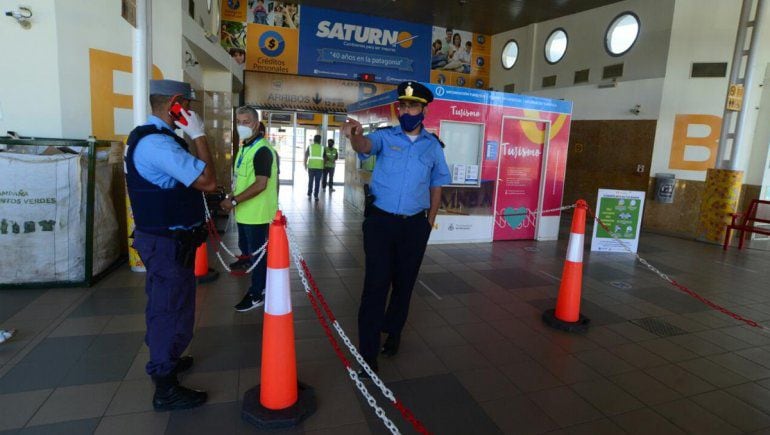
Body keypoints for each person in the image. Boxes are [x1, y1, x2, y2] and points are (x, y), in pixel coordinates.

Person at [342, 81, 450, 377]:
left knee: (404, 284)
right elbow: (363, 147)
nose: (406, 110)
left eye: (412, 106)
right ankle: (367, 352)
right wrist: (356, 136)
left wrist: (429, 223)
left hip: (415, 226)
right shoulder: (384, 137)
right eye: (402, 106)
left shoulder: (433, 147)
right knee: (376, 284)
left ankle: (394, 331)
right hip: (380, 222)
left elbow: (437, 184)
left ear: (424, 109)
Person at [125, 79, 217, 410]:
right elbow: (207, 180)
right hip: (166, 242)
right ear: (175, 103)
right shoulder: (158, 145)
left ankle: (170, 358)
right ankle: (164, 385)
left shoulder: (155, 138)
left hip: (168, 241)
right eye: (188, 106)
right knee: (168, 308)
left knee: (172, 303)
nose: (191, 112)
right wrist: (199, 135)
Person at [220, 107, 279, 312]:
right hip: (245, 212)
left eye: (246, 121)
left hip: (258, 214)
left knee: (259, 257)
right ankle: (250, 271)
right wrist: (232, 197)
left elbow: (261, 184)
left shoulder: (262, 150)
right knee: (249, 251)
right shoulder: (245, 147)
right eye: (239, 121)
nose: (241, 126)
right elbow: (241, 180)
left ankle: (257, 294)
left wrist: (234, 201)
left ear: (255, 123)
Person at [304, 134, 324, 200]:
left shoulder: (310, 147)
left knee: (310, 180)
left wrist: (305, 164)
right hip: (319, 167)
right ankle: (316, 196)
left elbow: (306, 156)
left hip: (311, 167)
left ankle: (309, 193)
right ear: (320, 140)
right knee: (317, 182)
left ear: (314, 140)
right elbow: (325, 158)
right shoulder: (322, 148)